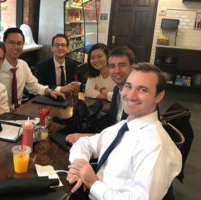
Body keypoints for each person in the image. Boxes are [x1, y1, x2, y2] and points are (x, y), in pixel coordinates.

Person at [67, 62, 182, 200]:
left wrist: (93, 183)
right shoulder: (124, 125)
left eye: (143, 89)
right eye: (128, 86)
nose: (131, 95)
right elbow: (85, 143)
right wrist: (79, 166)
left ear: (158, 96)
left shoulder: (155, 146)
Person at [66, 46, 134, 144]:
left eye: (122, 65)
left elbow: (127, 138)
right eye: (112, 66)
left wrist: (92, 137)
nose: (117, 70)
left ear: (132, 67)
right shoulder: (117, 91)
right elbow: (89, 91)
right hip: (110, 136)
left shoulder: (136, 99)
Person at [0, 27, 64, 109]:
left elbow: (34, 86)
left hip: (18, 111)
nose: (16, 47)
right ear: (3, 44)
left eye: (19, 43)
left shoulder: (23, 65)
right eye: (11, 43)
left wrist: (50, 91)